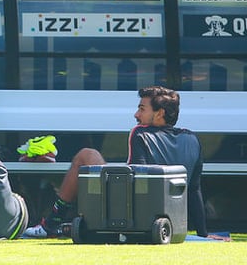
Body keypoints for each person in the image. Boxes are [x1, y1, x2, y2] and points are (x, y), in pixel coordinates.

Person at [23, 85, 209, 238]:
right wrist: (202, 233)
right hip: (168, 223)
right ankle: (59, 224)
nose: (136, 115)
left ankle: (51, 224)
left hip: (132, 217)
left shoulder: (140, 133)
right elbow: (194, 190)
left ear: (159, 113)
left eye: (142, 109)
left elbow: (138, 179)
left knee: (85, 155)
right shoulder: (192, 139)